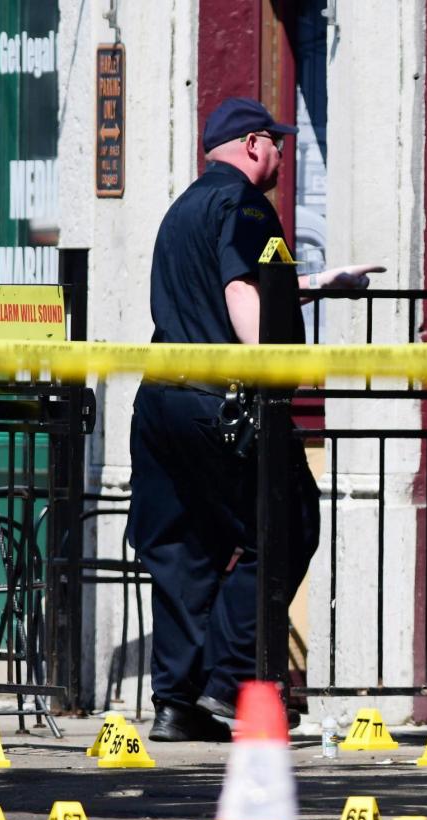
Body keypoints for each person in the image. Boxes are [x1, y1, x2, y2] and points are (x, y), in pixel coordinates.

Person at [127, 97, 383, 741]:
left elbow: (232, 283)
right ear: (250, 145)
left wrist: (322, 282)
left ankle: (177, 704)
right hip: (224, 402)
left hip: (163, 402)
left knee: (186, 548)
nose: (283, 154)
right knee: (287, 523)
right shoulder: (246, 206)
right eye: (277, 142)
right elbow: (242, 293)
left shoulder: (183, 208)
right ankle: (229, 681)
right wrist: (269, 374)